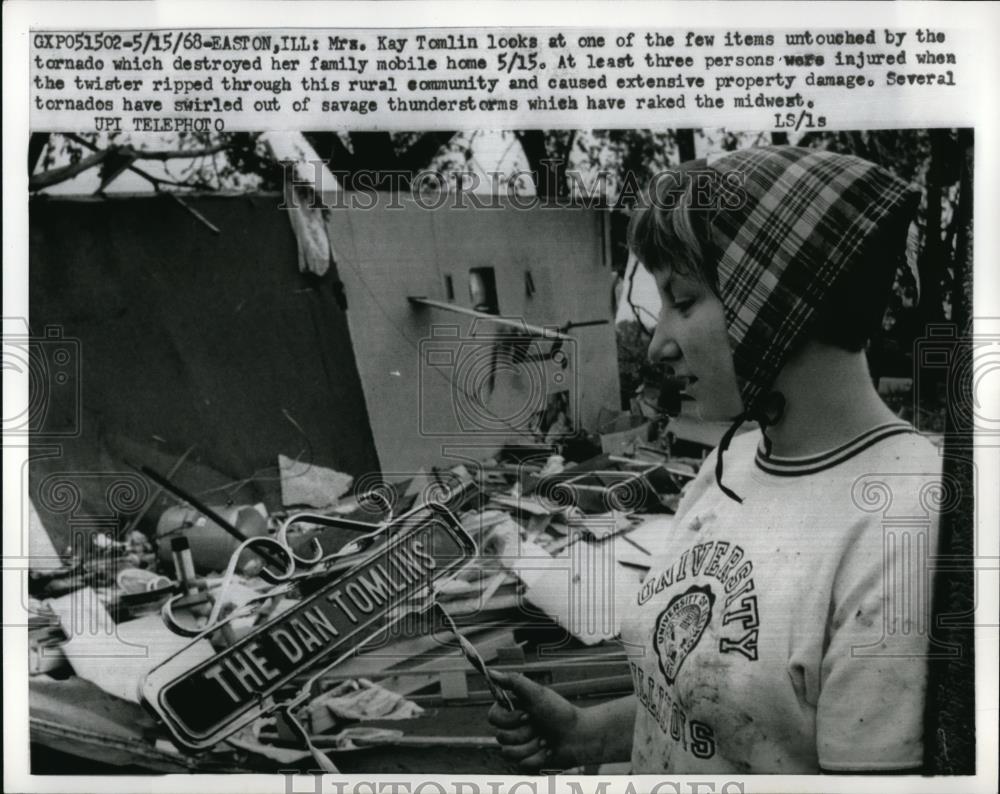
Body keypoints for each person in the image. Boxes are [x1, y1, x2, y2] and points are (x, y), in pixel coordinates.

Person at [488, 146, 943, 774]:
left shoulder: (901, 520)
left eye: (684, 299)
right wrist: (585, 734)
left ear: (777, 300)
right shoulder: (731, 464)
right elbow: (722, 710)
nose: (657, 344)